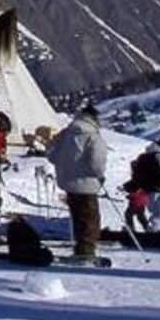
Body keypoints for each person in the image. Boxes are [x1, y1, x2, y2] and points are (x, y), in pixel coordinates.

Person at [46, 102, 108, 263]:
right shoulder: (93, 136)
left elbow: (52, 155)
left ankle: (81, 245)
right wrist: (99, 175)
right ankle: (86, 250)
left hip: (68, 182)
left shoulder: (66, 133)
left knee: (77, 216)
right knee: (89, 218)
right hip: (87, 183)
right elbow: (97, 161)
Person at [130, 138, 160, 232]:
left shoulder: (145, 155)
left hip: (146, 189)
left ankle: (151, 230)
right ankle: (156, 233)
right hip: (159, 188)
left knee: (153, 211)